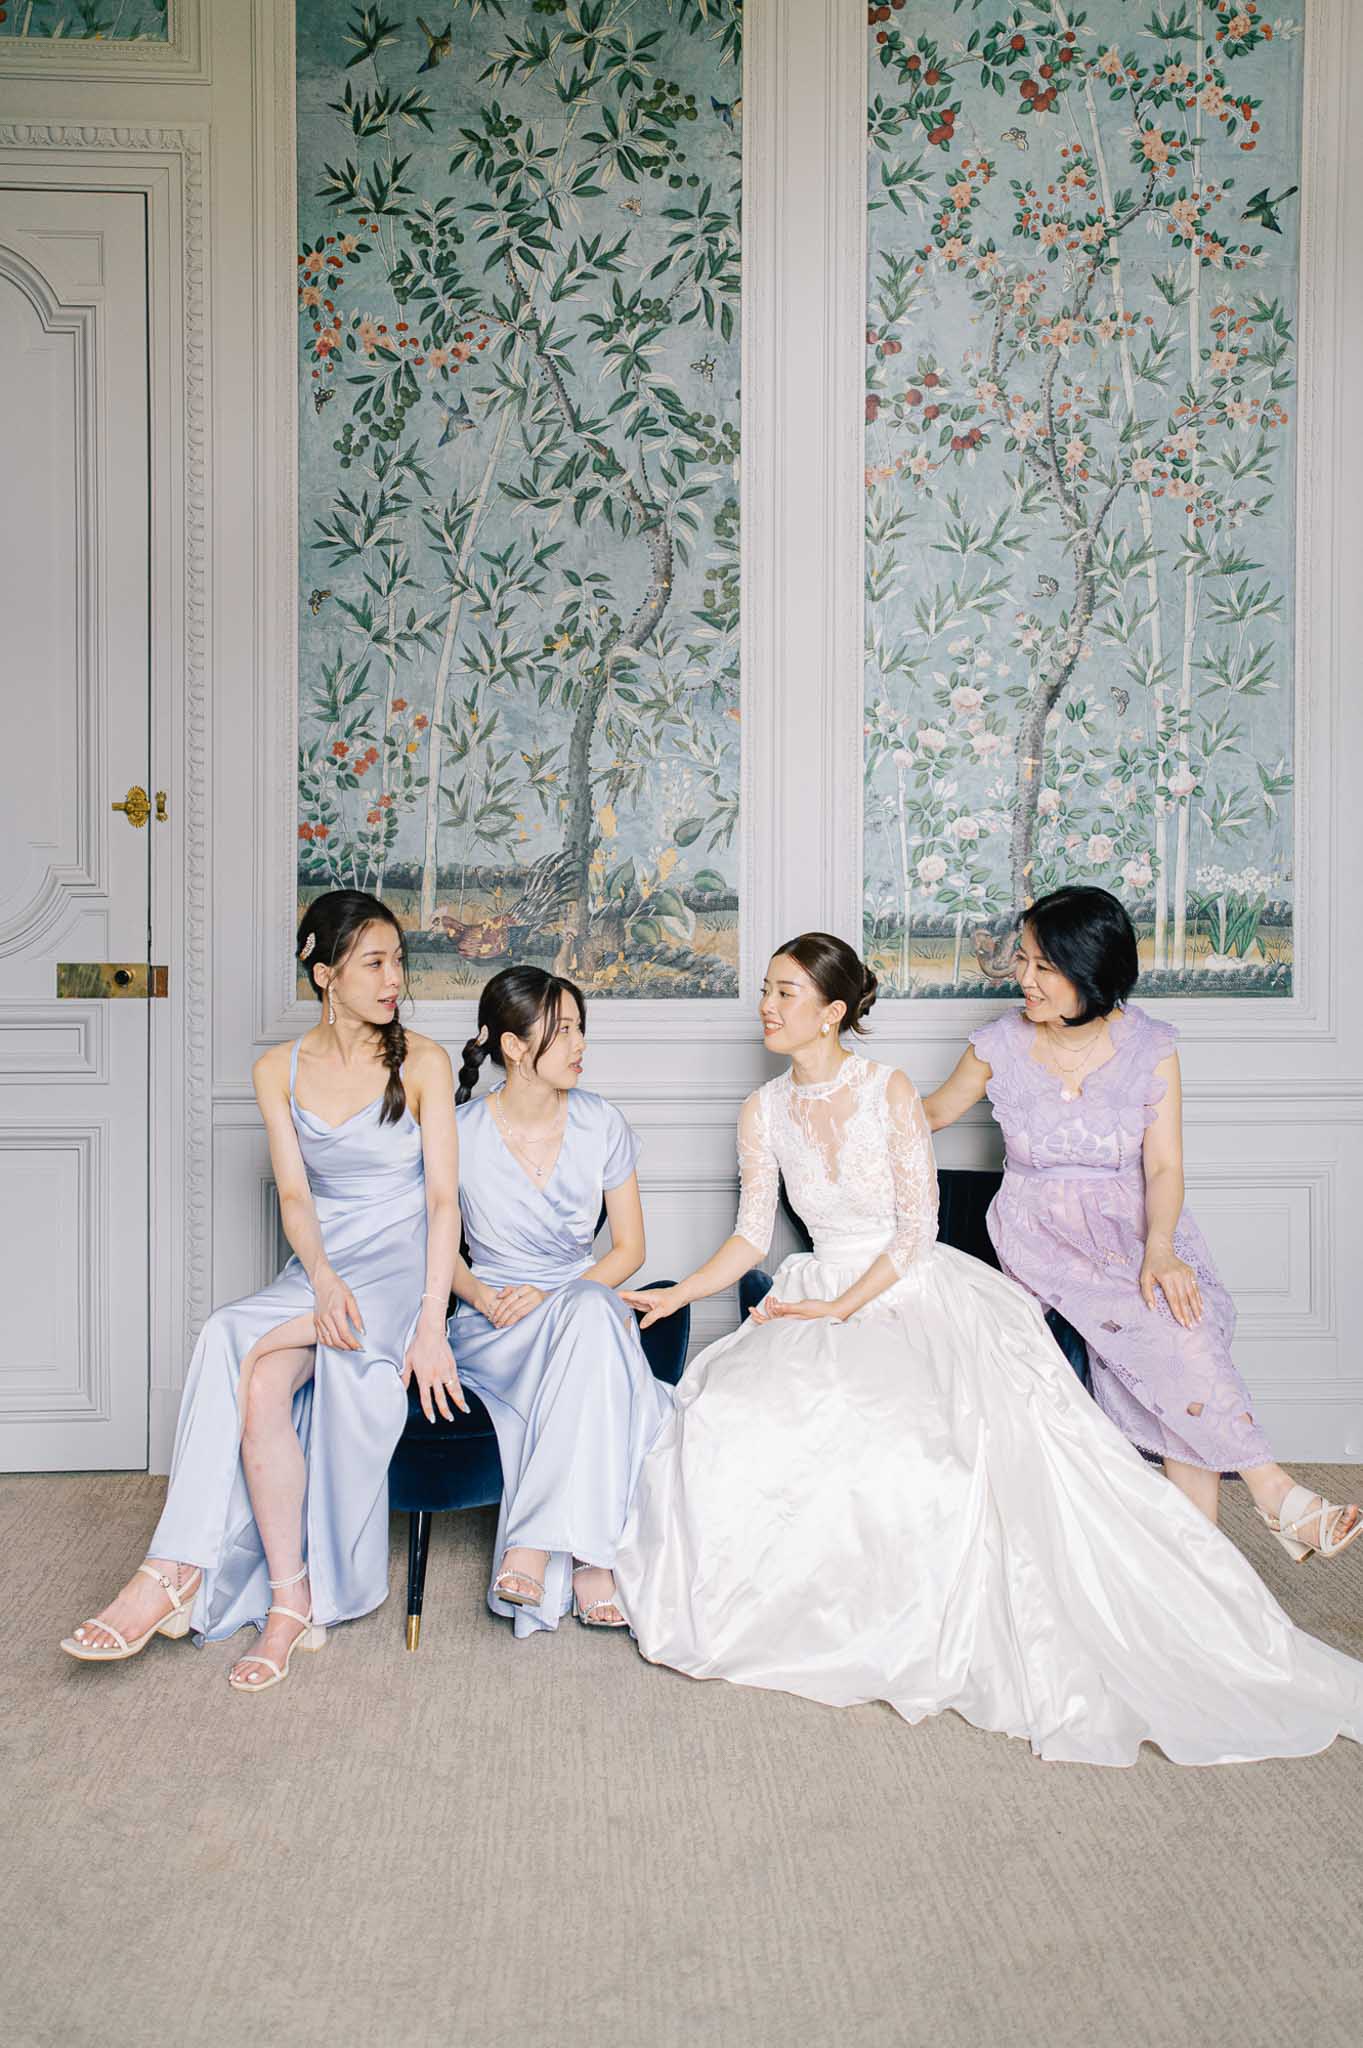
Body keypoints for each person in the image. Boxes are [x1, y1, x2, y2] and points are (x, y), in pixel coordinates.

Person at [611, 932, 1363, 1766]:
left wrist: (844, 1307)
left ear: (830, 1013)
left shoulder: (889, 1089)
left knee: (930, 1435)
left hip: (907, 1287)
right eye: (765, 989)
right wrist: (680, 1291)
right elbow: (752, 1236)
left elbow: (915, 1229)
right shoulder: (762, 1110)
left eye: (784, 992)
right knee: (733, 1415)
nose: (765, 1005)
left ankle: (1222, 1551)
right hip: (813, 1286)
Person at [61, 890, 463, 1691]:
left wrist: (430, 1324)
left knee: (224, 1338)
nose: (394, 980)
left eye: (397, 963)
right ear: (325, 974)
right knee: (258, 1378)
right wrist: (317, 1279)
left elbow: (444, 1202)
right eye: (374, 963)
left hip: (401, 1275)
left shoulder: (423, 1061)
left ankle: (170, 1570)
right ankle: (288, 1602)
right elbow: (295, 1199)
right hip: (323, 1268)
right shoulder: (275, 1068)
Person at [923, 885, 1360, 1561]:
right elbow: (928, 1115)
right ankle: (1275, 1498)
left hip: (1136, 1228)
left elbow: (1163, 1168)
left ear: (1088, 971)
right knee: (1169, 1334)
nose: (1023, 979)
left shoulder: (1150, 1046)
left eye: (1043, 966)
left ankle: (1207, 1572)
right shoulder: (997, 1045)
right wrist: (834, 1100)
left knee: (1182, 1319)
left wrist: (1159, 1249)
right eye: (1024, 960)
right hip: (1043, 1237)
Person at [450, 967, 673, 1635]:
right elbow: (429, 1251)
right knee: (593, 1333)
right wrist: (486, 1297)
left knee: (588, 1315)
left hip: (584, 1297)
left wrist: (554, 1294)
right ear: (515, 1048)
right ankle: (590, 1561)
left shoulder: (601, 1121)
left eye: (581, 1028)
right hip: (495, 1322)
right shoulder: (457, 1131)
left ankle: (536, 1541)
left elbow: (629, 1251)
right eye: (565, 1030)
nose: (581, 1044)